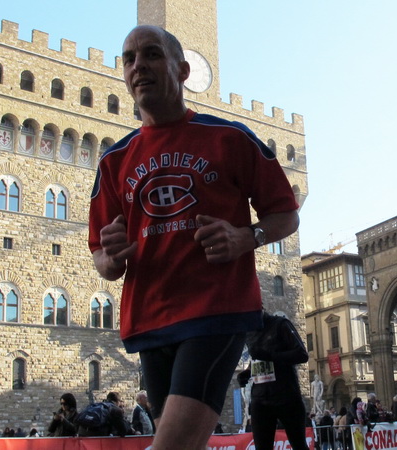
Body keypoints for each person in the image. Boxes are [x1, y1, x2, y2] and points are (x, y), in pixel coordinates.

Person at [88, 25, 299, 450]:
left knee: (171, 445)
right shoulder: (113, 160)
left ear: (182, 71)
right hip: (150, 322)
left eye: (151, 54)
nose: (138, 66)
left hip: (216, 311)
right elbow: (102, 258)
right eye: (129, 59)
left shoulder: (230, 138)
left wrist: (248, 236)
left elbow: (286, 214)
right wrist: (110, 258)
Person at [238, 311, 309, 450]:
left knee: (299, 445)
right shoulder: (249, 332)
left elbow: (302, 355)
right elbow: (257, 359)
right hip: (260, 399)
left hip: (286, 396)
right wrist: (247, 373)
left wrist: (271, 356)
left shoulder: (281, 324)